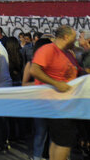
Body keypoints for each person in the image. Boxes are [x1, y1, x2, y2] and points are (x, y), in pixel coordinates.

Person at [30, 25, 87, 160]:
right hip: (56, 104)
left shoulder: (67, 53)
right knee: (64, 141)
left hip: (65, 104)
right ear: (66, 37)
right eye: (74, 38)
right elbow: (34, 70)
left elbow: (77, 70)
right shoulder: (48, 50)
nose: (76, 41)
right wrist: (56, 84)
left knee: (58, 141)